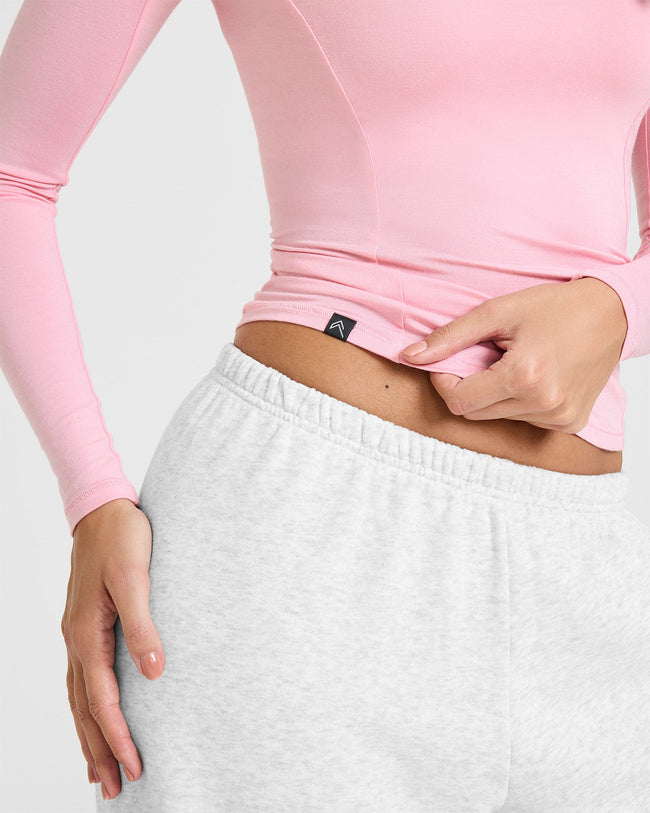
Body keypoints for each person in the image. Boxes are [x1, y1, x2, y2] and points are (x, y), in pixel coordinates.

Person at [2, 0, 650, 809]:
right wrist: (92, 496)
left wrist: (618, 307)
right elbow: (12, 170)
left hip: (584, 574)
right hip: (309, 547)